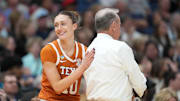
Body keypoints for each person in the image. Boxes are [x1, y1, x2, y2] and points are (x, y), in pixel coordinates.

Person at [84, 8, 147, 101]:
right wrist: (142, 91)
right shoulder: (120, 47)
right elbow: (138, 82)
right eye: (119, 25)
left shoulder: (88, 50)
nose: (120, 29)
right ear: (113, 25)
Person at [38, 11, 95, 101]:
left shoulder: (84, 50)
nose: (59, 28)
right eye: (56, 25)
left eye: (63, 24)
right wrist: (82, 67)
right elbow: (57, 87)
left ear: (74, 26)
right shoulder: (49, 50)